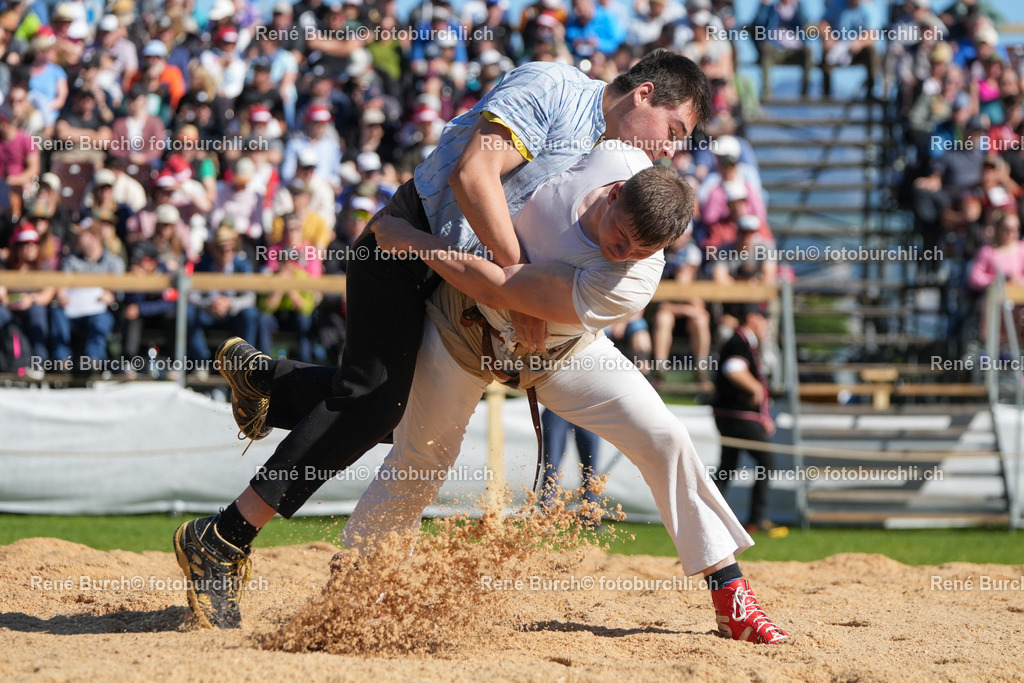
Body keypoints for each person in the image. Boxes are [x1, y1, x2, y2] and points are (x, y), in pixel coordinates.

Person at [172, 50, 710, 629]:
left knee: (390, 412)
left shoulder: (610, 160)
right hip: (405, 249)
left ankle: (274, 388)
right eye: (673, 131)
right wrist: (516, 282)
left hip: (460, 285)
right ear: (644, 93)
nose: (669, 149)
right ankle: (223, 539)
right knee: (373, 404)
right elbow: (473, 174)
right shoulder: (554, 85)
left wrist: (516, 291)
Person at [345, 147, 788, 644]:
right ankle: (355, 589)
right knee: (419, 461)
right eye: (622, 236)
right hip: (461, 327)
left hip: (557, 351)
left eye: (642, 250)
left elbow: (502, 289)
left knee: (665, 436)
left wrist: (414, 240)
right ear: (616, 191)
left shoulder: (636, 278)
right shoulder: (611, 156)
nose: (623, 253)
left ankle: (730, 595)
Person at [710, 304, 784, 536]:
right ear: (752, 318)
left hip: (731, 415)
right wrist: (756, 389)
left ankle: (706, 518)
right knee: (767, 462)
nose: (767, 325)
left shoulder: (745, 342)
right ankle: (755, 519)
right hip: (738, 415)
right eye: (764, 320)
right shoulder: (740, 342)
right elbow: (733, 368)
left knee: (727, 467)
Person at [539, 408, 602, 514]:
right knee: (551, 468)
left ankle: (590, 516)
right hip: (556, 409)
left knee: (591, 471)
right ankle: (546, 516)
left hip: (588, 410)